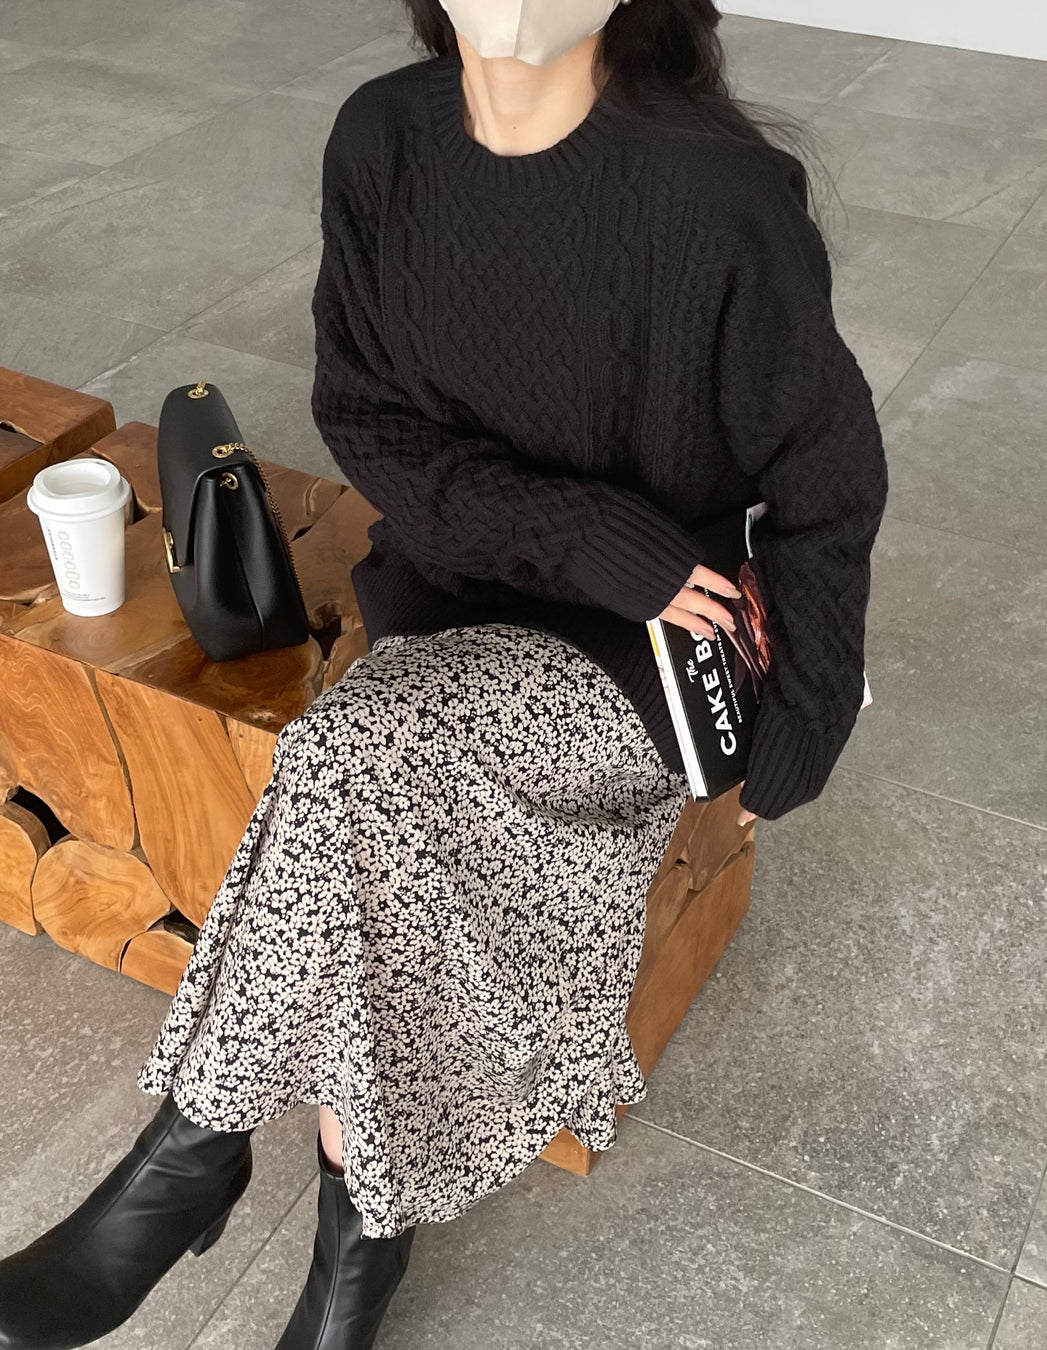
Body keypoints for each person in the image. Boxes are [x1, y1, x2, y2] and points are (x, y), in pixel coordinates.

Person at [0, 1, 889, 1347]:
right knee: (374, 784)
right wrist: (580, 533)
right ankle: (350, 1253)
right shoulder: (383, 140)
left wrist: (805, 720)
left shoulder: (721, 195)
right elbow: (365, 417)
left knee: (352, 755)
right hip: (458, 584)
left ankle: (190, 1161)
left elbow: (829, 475)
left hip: (648, 646)